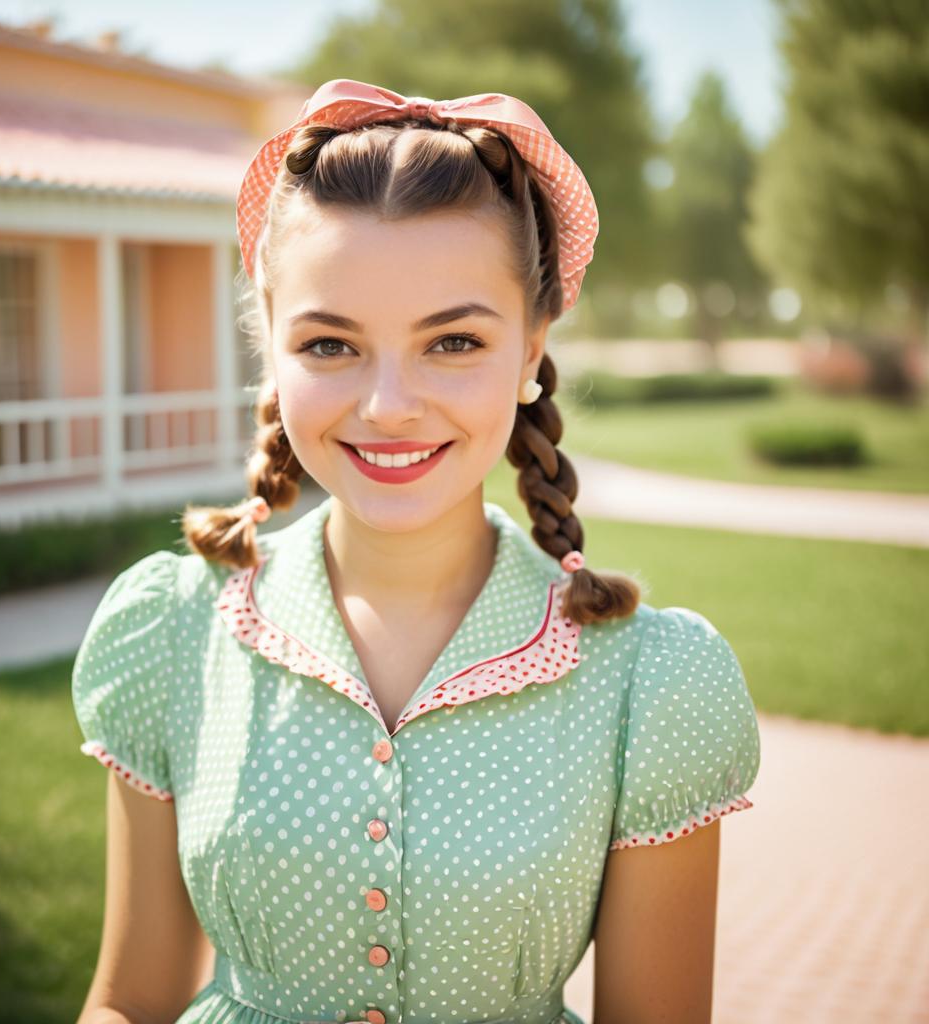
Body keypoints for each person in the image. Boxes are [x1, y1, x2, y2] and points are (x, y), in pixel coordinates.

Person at [72, 79, 761, 1024]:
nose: (388, 404)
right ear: (270, 343)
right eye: (329, 345)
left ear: (531, 348)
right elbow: (129, 1000)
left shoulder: (649, 683)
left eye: (453, 342)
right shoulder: (173, 630)